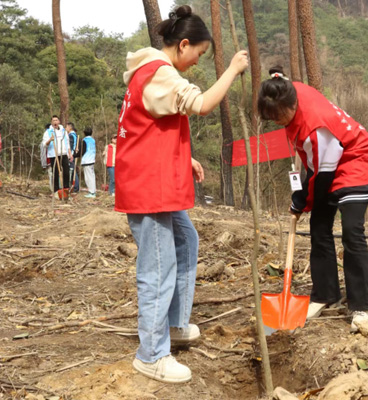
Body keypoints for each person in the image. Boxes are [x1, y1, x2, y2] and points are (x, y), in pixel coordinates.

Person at [115, 5, 248, 384]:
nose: (198, 61)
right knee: (158, 267)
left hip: (154, 175)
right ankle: (151, 354)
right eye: (200, 54)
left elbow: (148, 123)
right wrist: (232, 70)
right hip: (148, 186)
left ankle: (173, 325)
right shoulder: (159, 72)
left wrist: (183, 155)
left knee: (186, 240)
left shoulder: (151, 72)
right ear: (184, 44)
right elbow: (201, 104)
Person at [258, 66, 368, 332]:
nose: (277, 122)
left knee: (351, 230)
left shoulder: (315, 125)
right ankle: (325, 293)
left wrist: (302, 198)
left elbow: (321, 177)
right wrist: (302, 197)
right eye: (271, 117)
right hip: (330, 159)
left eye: (279, 116)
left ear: (292, 105)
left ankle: (361, 306)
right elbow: (316, 168)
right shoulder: (290, 89)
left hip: (357, 158)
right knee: (319, 226)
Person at [42, 116, 73, 197]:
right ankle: (56, 190)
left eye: (56, 120)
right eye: (53, 120)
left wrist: (70, 153)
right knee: (55, 173)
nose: (55, 122)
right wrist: (50, 140)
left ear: (59, 121)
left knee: (66, 171)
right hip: (53, 154)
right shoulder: (48, 132)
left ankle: (66, 189)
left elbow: (67, 143)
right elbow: (44, 145)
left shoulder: (63, 131)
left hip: (63, 153)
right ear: (51, 122)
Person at [81, 127, 96, 198]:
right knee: (92, 176)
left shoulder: (84, 140)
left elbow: (83, 151)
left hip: (86, 160)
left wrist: (76, 155)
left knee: (88, 177)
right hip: (92, 160)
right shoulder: (93, 140)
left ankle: (91, 192)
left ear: (84, 133)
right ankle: (93, 191)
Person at [67, 122, 80, 193]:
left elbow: (71, 146)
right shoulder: (74, 135)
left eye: (66, 127)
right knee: (73, 171)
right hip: (73, 155)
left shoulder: (71, 136)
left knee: (72, 171)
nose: (66, 129)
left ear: (70, 127)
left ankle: (75, 187)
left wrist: (69, 155)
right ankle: (74, 186)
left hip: (71, 155)